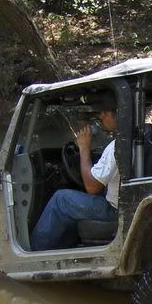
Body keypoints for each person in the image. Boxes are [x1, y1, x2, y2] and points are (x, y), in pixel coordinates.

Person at [29, 94, 119, 251]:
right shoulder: (130, 139)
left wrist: (84, 149)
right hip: (120, 201)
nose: (101, 115)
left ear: (119, 113)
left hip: (113, 209)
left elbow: (92, 187)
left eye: (106, 111)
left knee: (61, 200)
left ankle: (32, 253)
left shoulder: (116, 147)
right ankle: (65, 245)